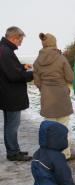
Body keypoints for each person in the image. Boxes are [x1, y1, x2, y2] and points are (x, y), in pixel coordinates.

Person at [33, 33, 75, 161]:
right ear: (54, 43)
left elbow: (37, 82)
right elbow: (70, 77)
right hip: (62, 95)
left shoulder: (37, 61)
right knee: (63, 127)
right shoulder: (61, 58)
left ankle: (52, 156)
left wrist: (44, 89)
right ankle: (65, 154)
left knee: (50, 129)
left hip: (47, 97)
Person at [0, 26, 34, 161]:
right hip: (10, 95)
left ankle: (13, 150)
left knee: (10, 125)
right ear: (14, 38)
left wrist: (21, 66)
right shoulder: (5, 52)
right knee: (12, 126)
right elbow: (14, 76)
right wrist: (32, 74)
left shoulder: (4, 49)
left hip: (6, 93)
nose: (21, 43)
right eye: (20, 40)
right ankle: (13, 153)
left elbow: (9, 70)